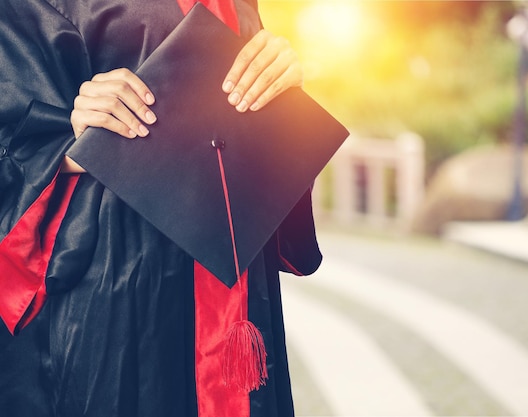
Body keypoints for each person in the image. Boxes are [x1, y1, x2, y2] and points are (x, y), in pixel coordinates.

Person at [0, 1, 322, 416]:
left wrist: (281, 87)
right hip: (116, 281)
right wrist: (73, 139)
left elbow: (247, 127)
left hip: (234, 290)